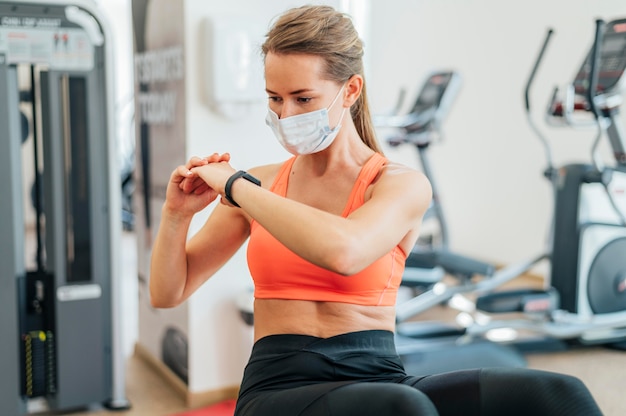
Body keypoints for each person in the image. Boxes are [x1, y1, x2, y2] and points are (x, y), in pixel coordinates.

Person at [149, 5, 603, 416]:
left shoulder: (398, 185)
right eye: (274, 98)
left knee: (561, 394)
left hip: (377, 374)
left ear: (350, 91)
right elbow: (168, 292)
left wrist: (235, 185)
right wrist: (177, 215)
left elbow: (345, 251)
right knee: (401, 408)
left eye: (302, 99)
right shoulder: (262, 184)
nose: (285, 115)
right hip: (278, 386)